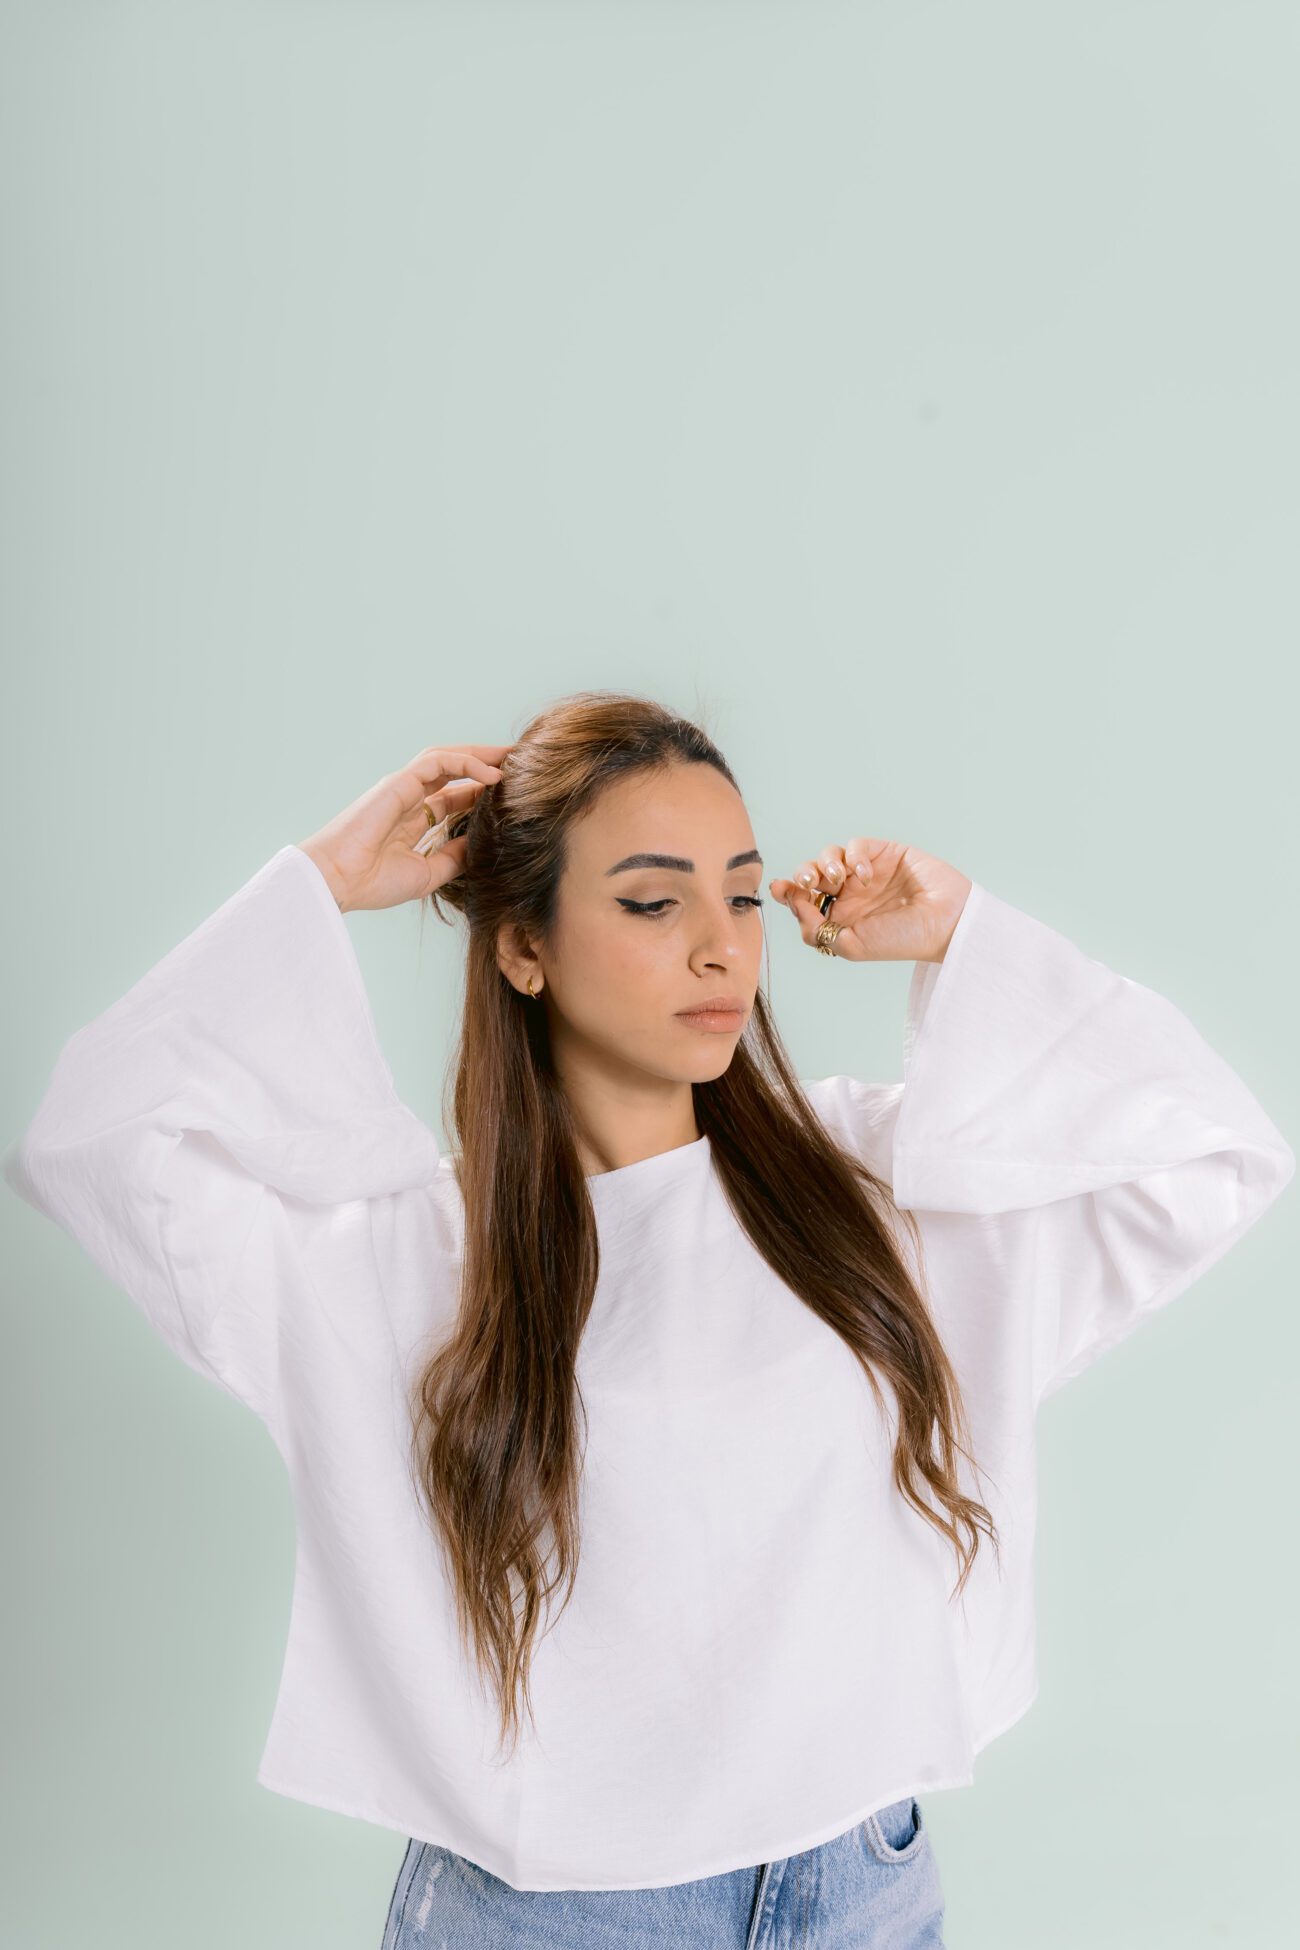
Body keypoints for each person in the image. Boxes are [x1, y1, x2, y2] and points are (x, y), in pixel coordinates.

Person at [5, 691, 1293, 1949]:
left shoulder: (874, 1186)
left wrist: (963, 932)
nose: (723, 945)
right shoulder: (396, 1260)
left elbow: (1211, 1155)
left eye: (741, 893)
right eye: (651, 901)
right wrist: (319, 884)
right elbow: (91, 1138)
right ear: (522, 945)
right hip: (553, 1915)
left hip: (863, 1882)